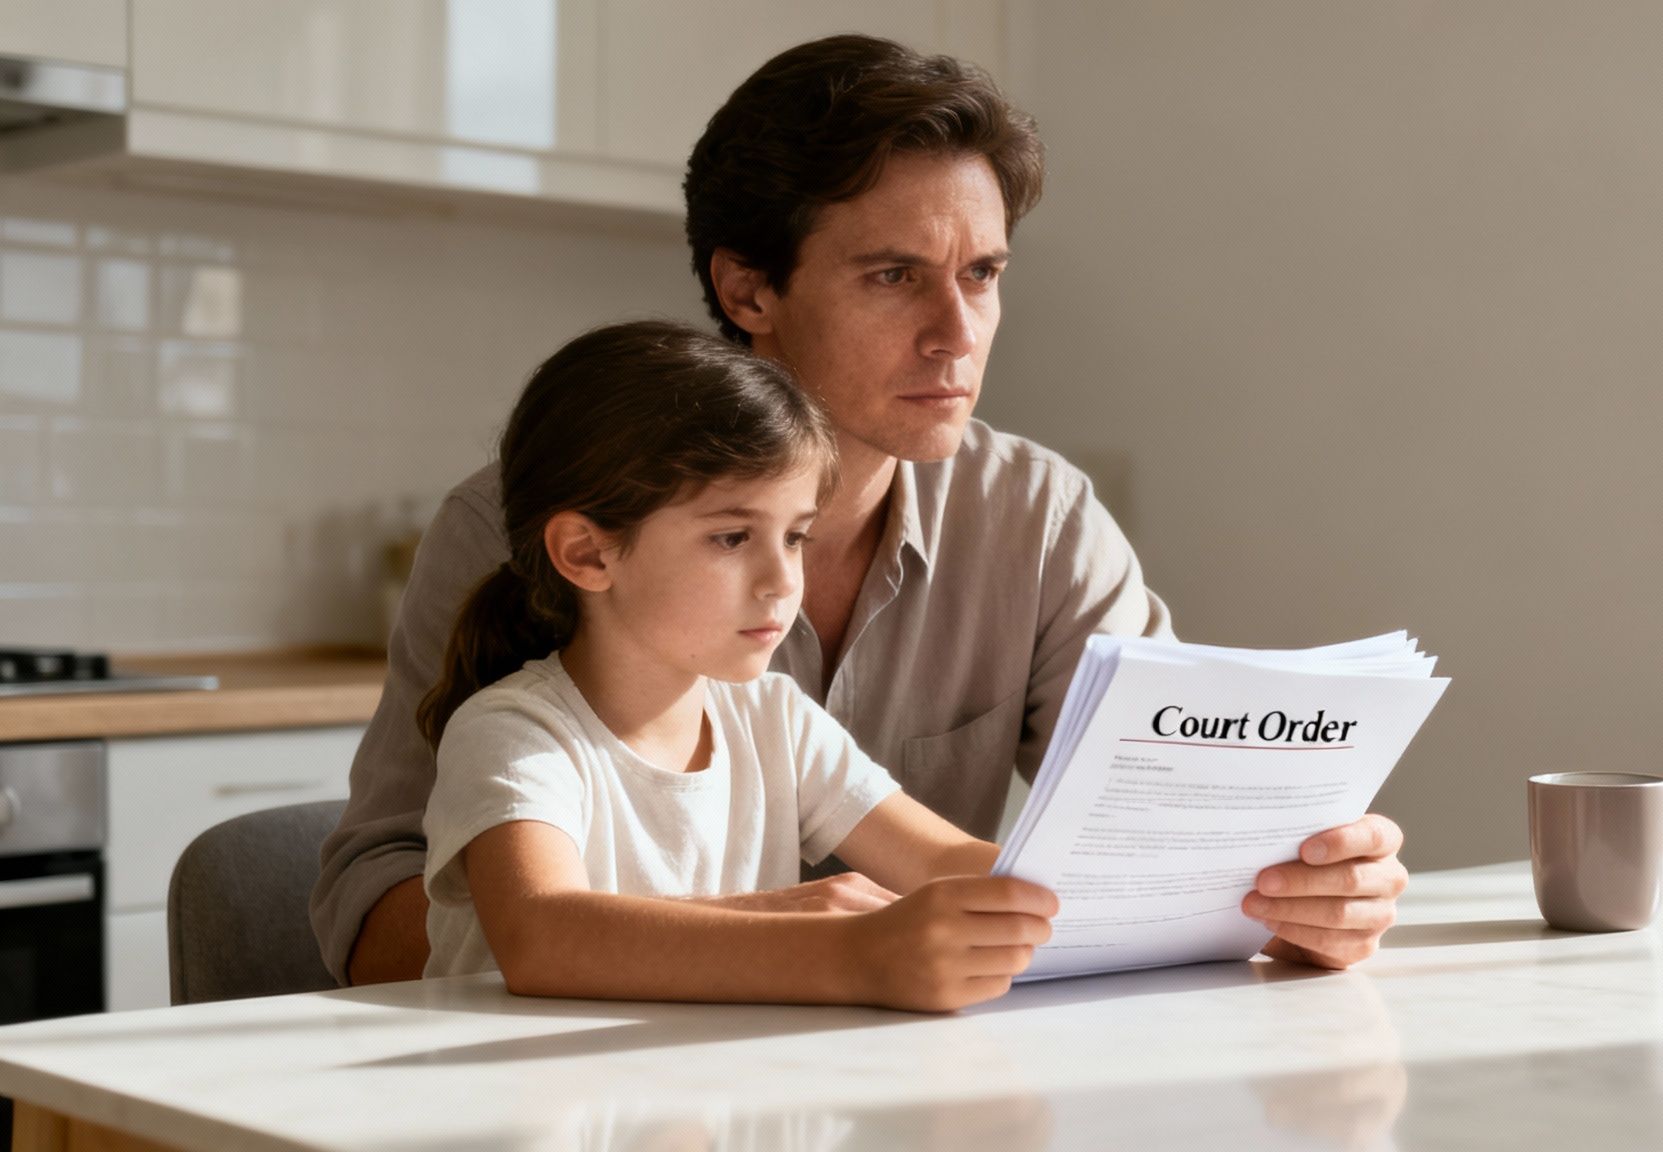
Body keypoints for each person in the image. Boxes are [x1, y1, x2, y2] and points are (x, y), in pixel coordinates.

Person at [312, 33, 1408, 988]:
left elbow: (1151, 843)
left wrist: (1273, 893)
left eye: (980, 274)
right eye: (893, 276)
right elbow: (378, 912)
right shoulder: (543, 513)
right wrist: (796, 950)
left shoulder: (1035, 518)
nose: (956, 332)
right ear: (749, 291)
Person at [420, 319, 1055, 1012]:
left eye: (796, 536)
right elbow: (543, 936)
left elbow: (946, 862)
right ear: (588, 554)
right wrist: (848, 950)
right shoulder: (514, 733)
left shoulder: (775, 721)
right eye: (731, 537)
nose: (783, 580)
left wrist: (1127, 899)